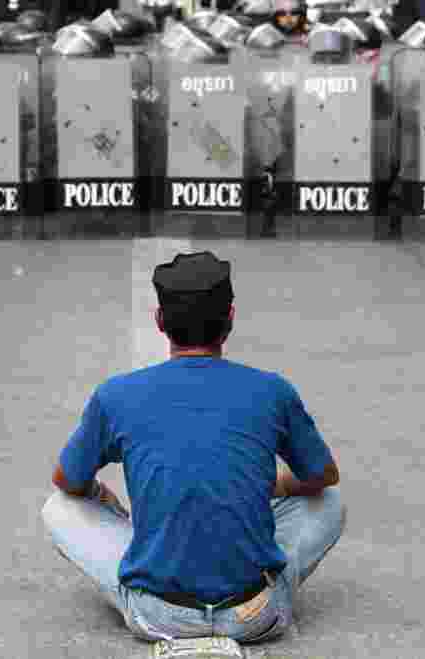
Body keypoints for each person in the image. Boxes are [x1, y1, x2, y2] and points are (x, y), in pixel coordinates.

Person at [41, 251, 346, 644]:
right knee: (330, 502)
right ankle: (265, 590)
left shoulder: (116, 394)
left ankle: (154, 570)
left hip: (160, 616)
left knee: (59, 507)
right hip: (252, 616)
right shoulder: (272, 390)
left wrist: (100, 494)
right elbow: (324, 476)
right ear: (231, 318)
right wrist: (274, 486)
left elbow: (67, 481)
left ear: (160, 322)